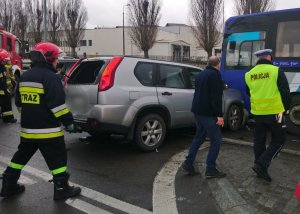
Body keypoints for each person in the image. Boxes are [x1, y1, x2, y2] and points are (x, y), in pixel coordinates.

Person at [0, 42, 81, 200]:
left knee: (20, 157)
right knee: (58, 158)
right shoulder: (51, 78)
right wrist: (69, 122)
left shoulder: (25, 76)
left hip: (28, 131)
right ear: (49, 59)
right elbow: (58, 107)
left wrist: (32, 116)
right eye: (56, 58)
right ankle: (62, 188)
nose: (58, 62)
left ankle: (8, 185)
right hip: (48, 131)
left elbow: (19, 103)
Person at [245, 49, 291, 182]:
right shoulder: (276, 71)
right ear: (269, 57)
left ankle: (261, 170)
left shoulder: (249, 74)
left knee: (259, 140)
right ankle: (261, 164)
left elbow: (249, 93)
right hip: (276, 113)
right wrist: (284, 110)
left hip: (258, 113)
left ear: (258, 59)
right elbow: (285, 93)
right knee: (279, 140)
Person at [181, 56, 227, 178]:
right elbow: (215, 98)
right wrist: (219, 116)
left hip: (198, 111)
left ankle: (188, 162)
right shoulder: (215, 75)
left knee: (199, 137)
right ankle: (210, 169)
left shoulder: (201, 74)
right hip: (208, 113)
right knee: (216, 140)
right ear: (218, 64)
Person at [0, 49, 17, 123]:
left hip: (4, 90)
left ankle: (8, 118)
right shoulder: (1, 68)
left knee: (6, 104)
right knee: (6, 104)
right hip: (2, 91)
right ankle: (8, 119)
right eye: (4, 60)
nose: (5, 61)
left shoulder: (3, 67)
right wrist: (4, 90)